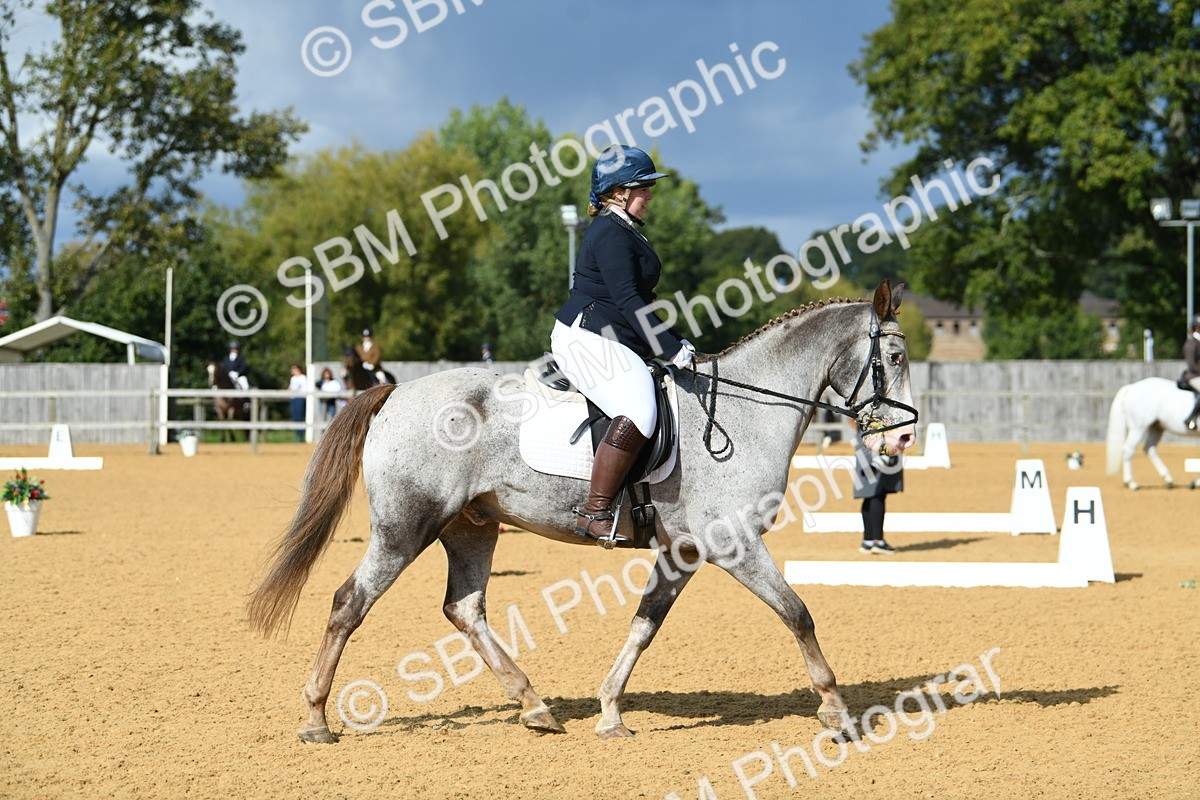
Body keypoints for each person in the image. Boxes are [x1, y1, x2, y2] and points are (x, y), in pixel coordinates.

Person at [550, 144, 696, 546]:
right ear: (618, 192)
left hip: (608, 333)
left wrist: (674, 338)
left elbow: (640, 301)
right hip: (587, 336)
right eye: (643, 188)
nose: (649, 195)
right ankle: (595, 511)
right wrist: (667, 348)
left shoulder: (624, 229)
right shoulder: (610, 233)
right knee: (638, 409)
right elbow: (629, 299)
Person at [854, 431, 904, 554]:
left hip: (866, 439)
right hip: (879, 443)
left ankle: (868, 540)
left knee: (869, 494)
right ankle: (877, 541)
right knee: (877, 493)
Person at [1183, 315, 1200, 430]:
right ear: (1197, 328)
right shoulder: (1191, 344)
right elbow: (1191, 364)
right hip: (1193, 376)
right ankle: (1190, 417)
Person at [288, 364, 307, 442]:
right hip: (293, 398)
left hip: (300, 398)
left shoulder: (303, 378)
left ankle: (300, 435)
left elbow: (304, 389)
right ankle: (297, 434)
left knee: (299, 416)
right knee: (295, 416)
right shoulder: (293, 378)